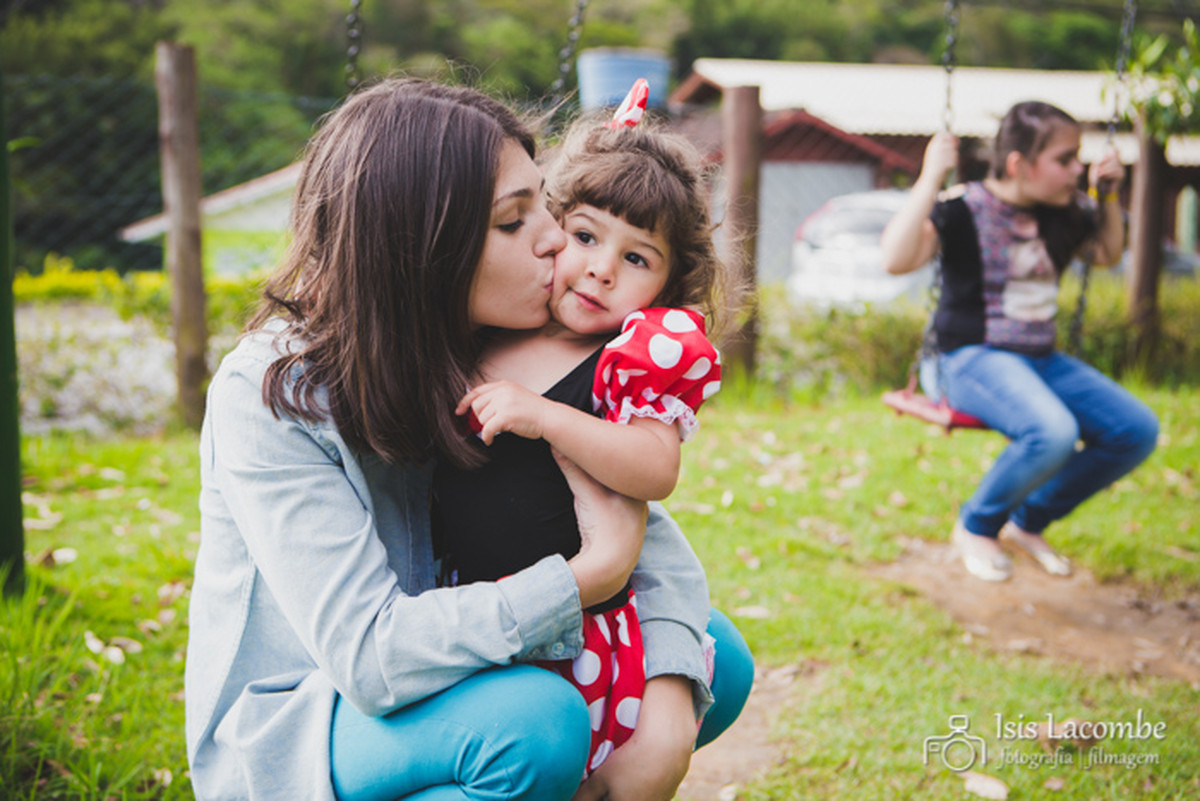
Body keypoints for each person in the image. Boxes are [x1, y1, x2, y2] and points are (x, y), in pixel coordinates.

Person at [185, 77, 752, 801]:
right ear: (422, 249)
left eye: (545, 204)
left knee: (711, 657)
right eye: (515, 222)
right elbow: (370, 657)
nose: (557, 240)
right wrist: (586, 577)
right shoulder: (270, 394)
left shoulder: (483, 341)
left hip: (466, 661)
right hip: (315, 713)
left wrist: (667, 707)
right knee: (535, 723)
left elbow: (627, 522)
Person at [432, 97, 727, 777]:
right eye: (586, 237)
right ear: (549, 226)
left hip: (580, 631)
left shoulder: (624, 361)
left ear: (667, 286)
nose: (601, 269)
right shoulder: (484, 329)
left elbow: (655, 467)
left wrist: (546, 417)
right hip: (475, 609)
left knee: (580, 767)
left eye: (637, 258)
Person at [880, 100, 1159, 582]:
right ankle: (976, 526)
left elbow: (1108, 254)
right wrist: (930, 177)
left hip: (1039, 359)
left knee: (1135, 430)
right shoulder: (962, 208)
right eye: (1064, 159)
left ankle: (1027, 522)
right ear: (1018, 165)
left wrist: (1108, 195)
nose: (1077, 170)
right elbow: (895, 259)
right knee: (1053, 431)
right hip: (966, 358)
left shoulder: (1065, 213)